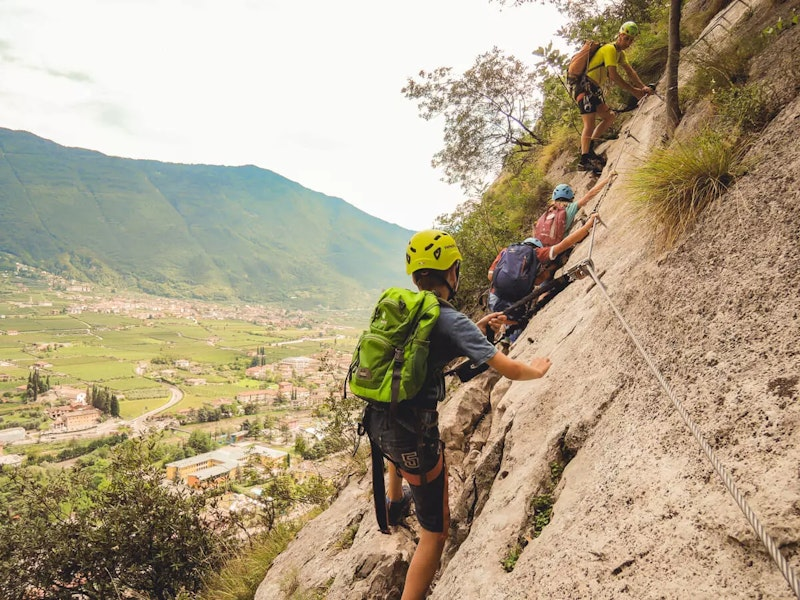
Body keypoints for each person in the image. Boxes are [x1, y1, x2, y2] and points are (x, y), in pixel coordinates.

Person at [362, 229, 552, 600]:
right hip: (411, 433)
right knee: (435, 533)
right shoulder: (451, 319)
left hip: (376, 422)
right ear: (452, 271)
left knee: (397, 450)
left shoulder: (407, 309)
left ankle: (395, 501)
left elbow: (422, 357)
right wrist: (537, 369)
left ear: (415, 276)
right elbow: (508, 368)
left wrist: (477, 329)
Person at [487, 214, 599, 341]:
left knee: (505, 320)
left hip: (495, 297)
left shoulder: (505, 252)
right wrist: (589, 224)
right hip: (516, 301)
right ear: (537, 247)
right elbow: (565, 243)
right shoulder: (537, 253)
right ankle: (512, 338)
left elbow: (490, 276)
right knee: (518, 324)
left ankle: (506, 338)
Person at [574, 21, 653, 173]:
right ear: (620, 35)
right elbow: (613, 76)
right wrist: (634, 91)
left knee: (609, 117)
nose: (628, 42)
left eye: (631, 40)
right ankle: (584, 161)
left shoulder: (620, 54)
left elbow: (630, 72)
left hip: (593, 90)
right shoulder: (609, 49)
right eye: (626, 38)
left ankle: (590, 150)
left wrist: (642, 87)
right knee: (589, 124)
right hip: (584, 88)